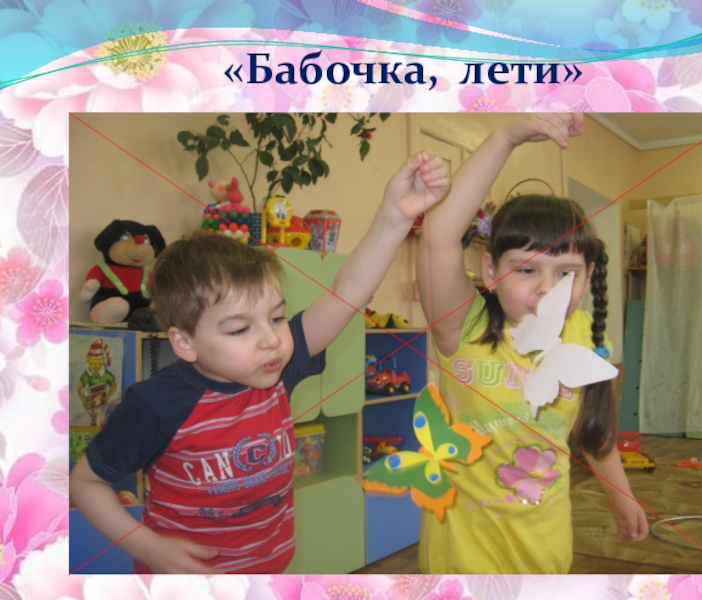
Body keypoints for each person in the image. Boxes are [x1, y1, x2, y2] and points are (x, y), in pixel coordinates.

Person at [69, 150, 450, 575]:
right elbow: (85, 483)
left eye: (276, 317)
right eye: (239, 329)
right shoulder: (155, 404)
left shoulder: (279, 367)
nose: (270, 339)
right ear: (185, 342)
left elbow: (349, 292)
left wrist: (394, 218)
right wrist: (150, 548)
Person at [416, 113, 648, 574]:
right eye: (526, 269)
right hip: (464, 558)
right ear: (490, 271)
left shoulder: (583, 333)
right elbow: (439, 234)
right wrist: (506, 137)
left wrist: (620, 494)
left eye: (566, 273)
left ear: (587, 277)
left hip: (546, 546)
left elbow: (592, 429)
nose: (546, 288)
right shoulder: (461, 325)